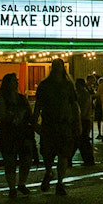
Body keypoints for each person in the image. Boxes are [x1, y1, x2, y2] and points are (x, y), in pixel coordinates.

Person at [32, 58, 80, 196]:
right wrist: (35, 121)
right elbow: (38, 105)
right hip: (50, 123)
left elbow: (74, 105)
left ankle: (59, 181)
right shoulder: (47, 85)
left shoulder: (66, 85)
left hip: (61, 124)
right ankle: (50, 172)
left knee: (63, 154)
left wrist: (77, 122)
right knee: (48, 153)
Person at [0, 72, 34, 198]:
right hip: (9, 132)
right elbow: (1, 115)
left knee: (26, 159)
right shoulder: (2, 98)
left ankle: (21, 183)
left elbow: (29, 113)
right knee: (10, 161)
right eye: (13, 81)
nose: (16, 83)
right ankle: (12, 187)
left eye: (16, 81)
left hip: (22, 132)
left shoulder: (21, 98)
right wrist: (13, 117)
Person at [74, 77, 95, 166]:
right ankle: (88, 159)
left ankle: (89, 160)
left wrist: (80, 117)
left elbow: (84, 108)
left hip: (83, 119)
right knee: (82, 140)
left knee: (82, 140)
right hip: (84, 119)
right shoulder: (83, 94)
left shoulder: (84, 94)